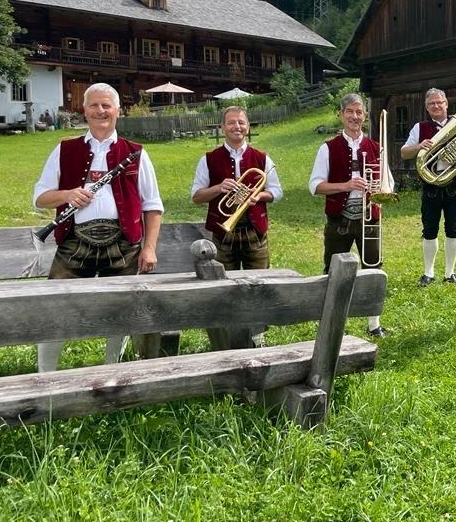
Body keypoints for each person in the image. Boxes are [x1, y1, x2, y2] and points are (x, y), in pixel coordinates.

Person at [32, 82, 164, 370]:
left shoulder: (136, 153)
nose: (100, 110)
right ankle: (45, 376)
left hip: (123, 244)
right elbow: (40, 197)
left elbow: (152, 206)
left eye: (106, 105)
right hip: (75, 241)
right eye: (94, 105)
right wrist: (67, 195)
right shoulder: (64, 149)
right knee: (55, 309)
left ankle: (112, 370)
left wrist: (150, 248)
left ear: (118, 111)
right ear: (84, 110)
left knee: (120, 310)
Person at [308, 93, 387, 337]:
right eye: (349, 111)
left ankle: (374, 324)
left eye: (359, 112)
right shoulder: (328, 148)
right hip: (339, 220)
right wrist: (346, 185)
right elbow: (315, 186)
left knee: (373, 269)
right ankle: (330, 324)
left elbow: (387, 185)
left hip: (369, 218)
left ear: (364, 116)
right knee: (333, 271)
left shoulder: (376, 147)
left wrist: (380, 191)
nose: (354, 116)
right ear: (341, 115)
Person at [399, 87, 456, 286]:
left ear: (446, 104)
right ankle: (429, 272)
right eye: (431, 103)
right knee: (429, 228)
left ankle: (450, 273)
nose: (436, 105)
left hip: (455, 184)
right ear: (426, 107)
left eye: (439, 102)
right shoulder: (419, 127)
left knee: (453, 229)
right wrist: (418, 146)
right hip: (431, 186)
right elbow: (404, 152)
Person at [191, 106, 282, 270]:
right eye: (231, 122)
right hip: (222, 235)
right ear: (223, 127)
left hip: (255, 232)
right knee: (222, 283)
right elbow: (196, 197)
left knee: (259, 283)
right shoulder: (208, 159)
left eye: (241, 122)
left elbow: (277, 191)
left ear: (248, 127)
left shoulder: (263, 158)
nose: (237, 126)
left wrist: (260, 196)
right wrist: (218, 188)